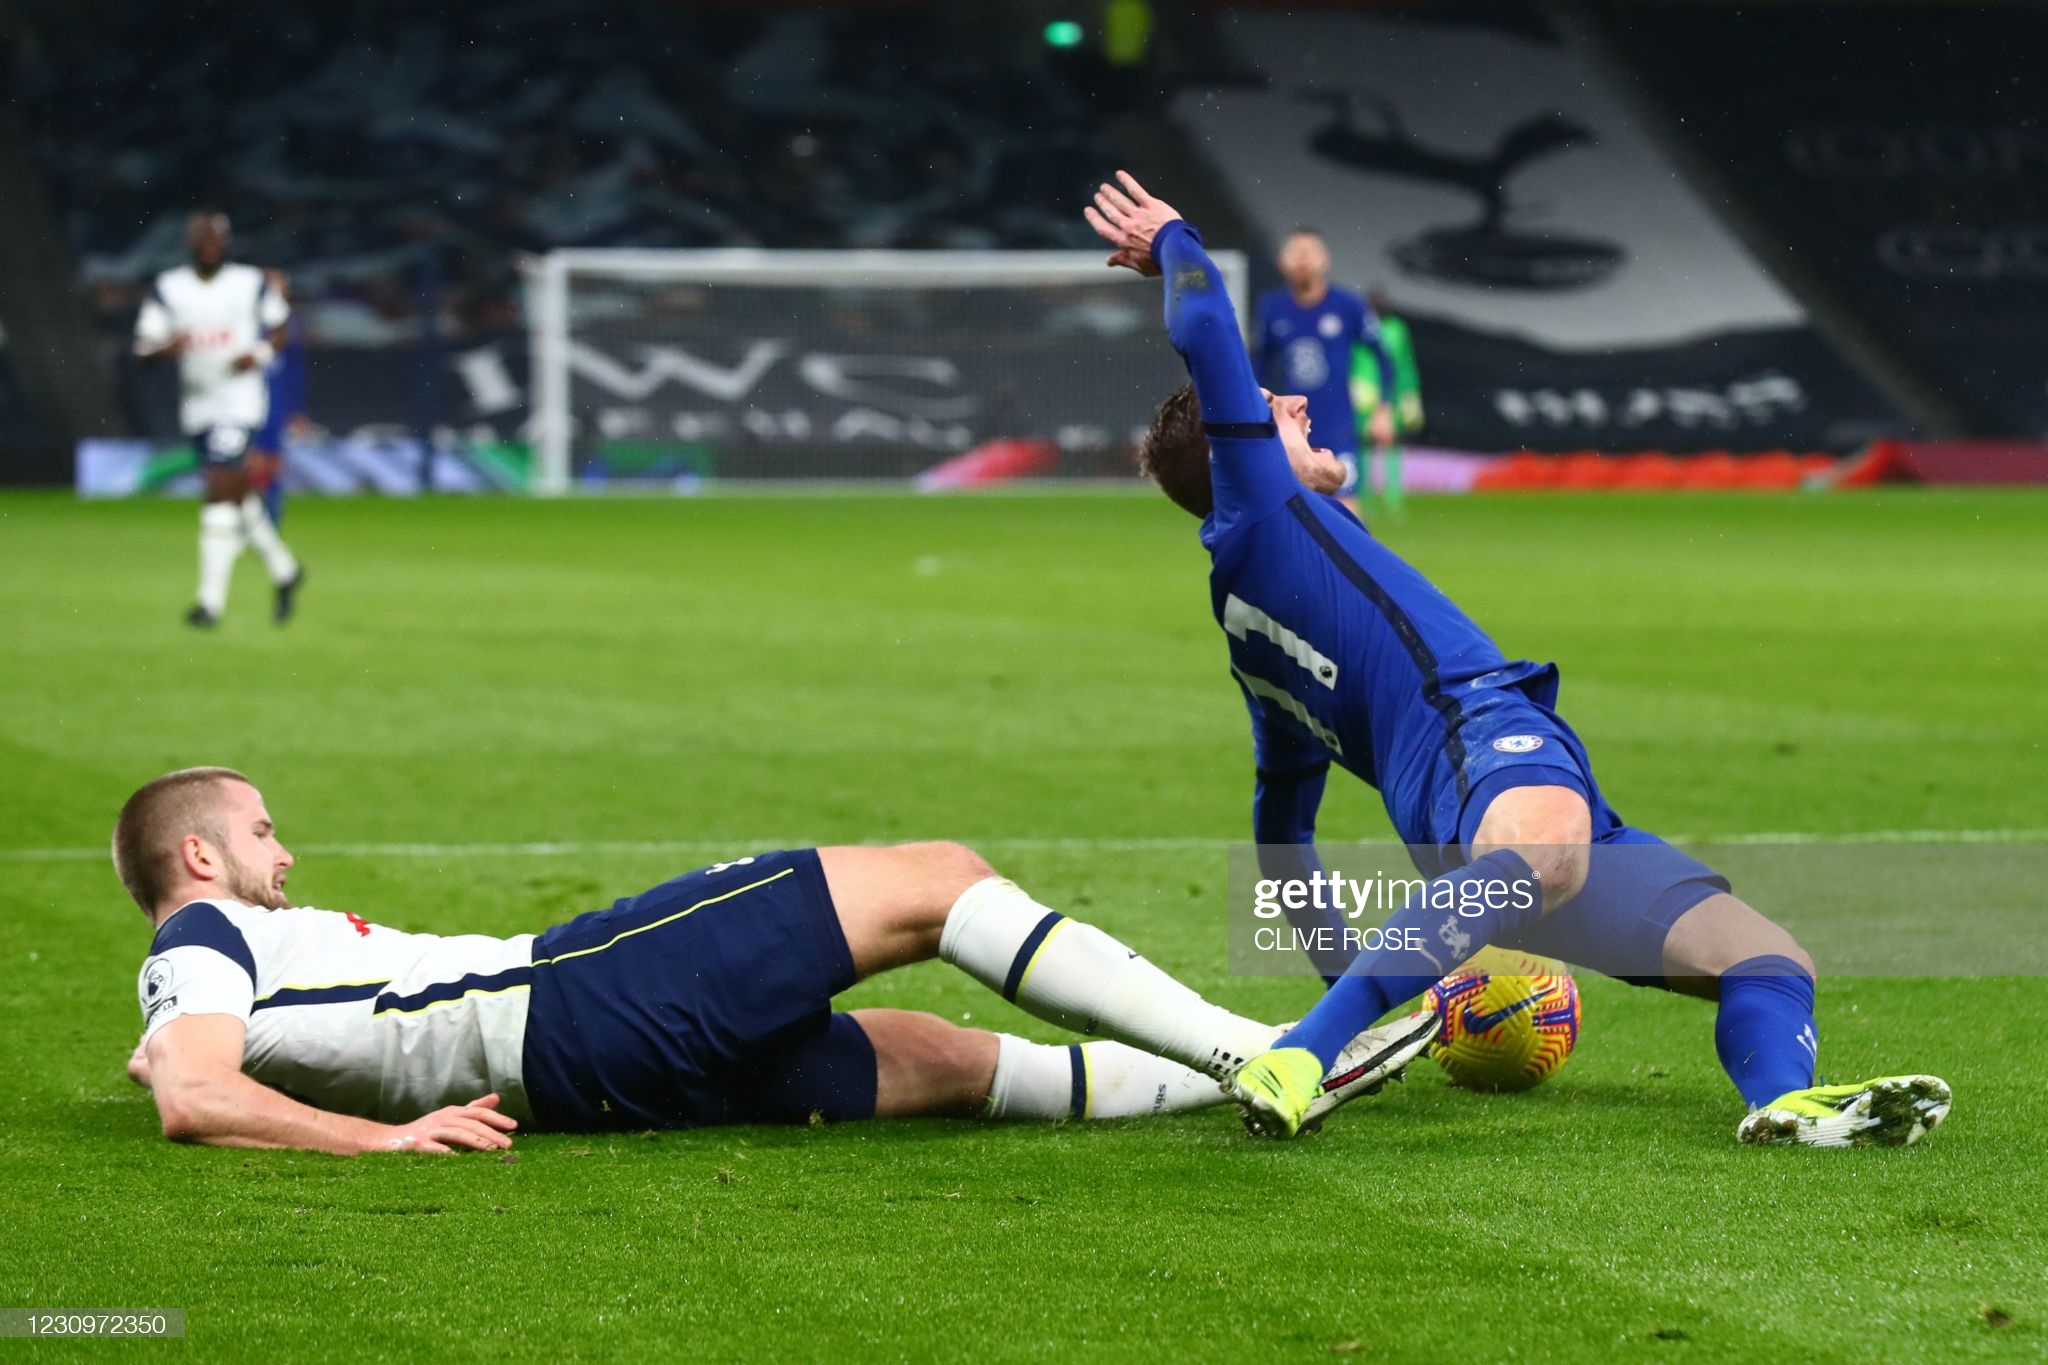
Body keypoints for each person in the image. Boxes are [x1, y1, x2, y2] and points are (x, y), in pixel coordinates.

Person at [1084, 171, 1950, 1148]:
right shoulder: (1263, 514)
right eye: (1269, 412)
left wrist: (1343, 979)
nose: (1288, 399)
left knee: (1761, 959)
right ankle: (1300, 1057)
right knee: (1544, 855)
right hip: (1480, 747)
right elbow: (1204, 335)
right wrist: (1175, 242)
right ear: (1235, 457)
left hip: (1477, 824)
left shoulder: (1252, 623)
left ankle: (1781, 1102)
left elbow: (1281, 833)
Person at [117, 768, 1431, 1153]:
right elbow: (193, 1088)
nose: (280, 853)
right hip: (572, 996)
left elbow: (186, 1059)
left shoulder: (212, 961)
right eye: (259, 830)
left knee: (935, 1061)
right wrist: (382, 1144)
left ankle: (1275, 1072)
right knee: (938, 879)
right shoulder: (201, 932)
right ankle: (1273, 1053)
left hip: (576, 1081)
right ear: (195, 858)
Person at [134, 213, 304, 628]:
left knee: (218, 493)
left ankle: (209, 604)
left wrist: (259, 355)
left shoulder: (248, 282)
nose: (211, 244)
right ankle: (285, 570)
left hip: (239, 403)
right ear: (190, 241)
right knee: (237, 494)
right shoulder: (169, 288)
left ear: (226, 243)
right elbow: (144, 346)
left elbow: (280, 327)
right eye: (203, 238)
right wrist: (163, 349)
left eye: (218, 238)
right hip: (198, 406)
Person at [1249, 228, 1395, 506]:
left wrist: (1383, 409)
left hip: (1339, 426)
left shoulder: (1348, 305)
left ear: (1325, 259)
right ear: (1281, 260)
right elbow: (1258, 365)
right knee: (1293, 509)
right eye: (1295, 252)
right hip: (1292, 429)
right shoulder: (1271, 308)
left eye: (1311, 252)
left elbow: (1384, 358)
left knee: (1346, 509)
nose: (1303, 259)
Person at [1349, 290, 1425, 512]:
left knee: (1392, 442)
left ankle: (1393, 497)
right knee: (1363, 444)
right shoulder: (1359, 326)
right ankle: (1365, 497)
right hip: (1363, 392)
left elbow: (1404, 362)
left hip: (1391, 391)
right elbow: (1351, 358)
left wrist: (1409, 392)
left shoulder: (1396, 328)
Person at [248, 269, 309, 529]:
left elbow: (295, 371)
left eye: (281, 288)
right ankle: (249, 519)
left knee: (273, 461)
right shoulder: (246, 322)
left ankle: (271, 521)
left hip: (276, 399)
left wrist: (297, 409)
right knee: (251, 461)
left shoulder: (290, 326)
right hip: (247, 399)